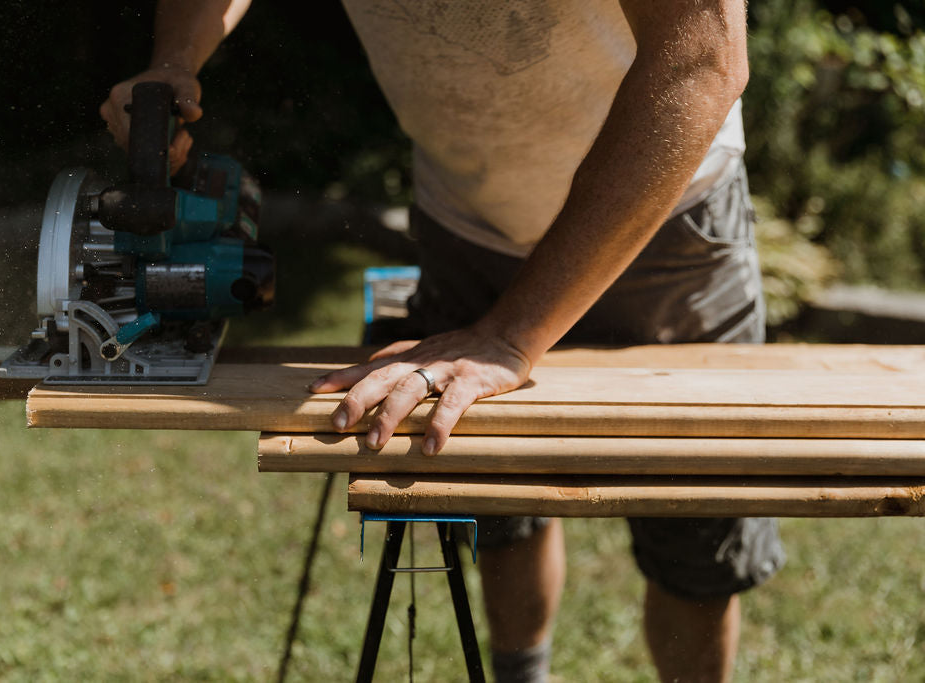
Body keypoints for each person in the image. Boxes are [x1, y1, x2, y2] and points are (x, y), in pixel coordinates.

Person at [102, 2, 786, 681]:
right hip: (468, 218)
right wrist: (174, 63)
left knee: (694, 536)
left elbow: (699, 61)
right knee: (499, 503)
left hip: (664, 220)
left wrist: (510, 335)